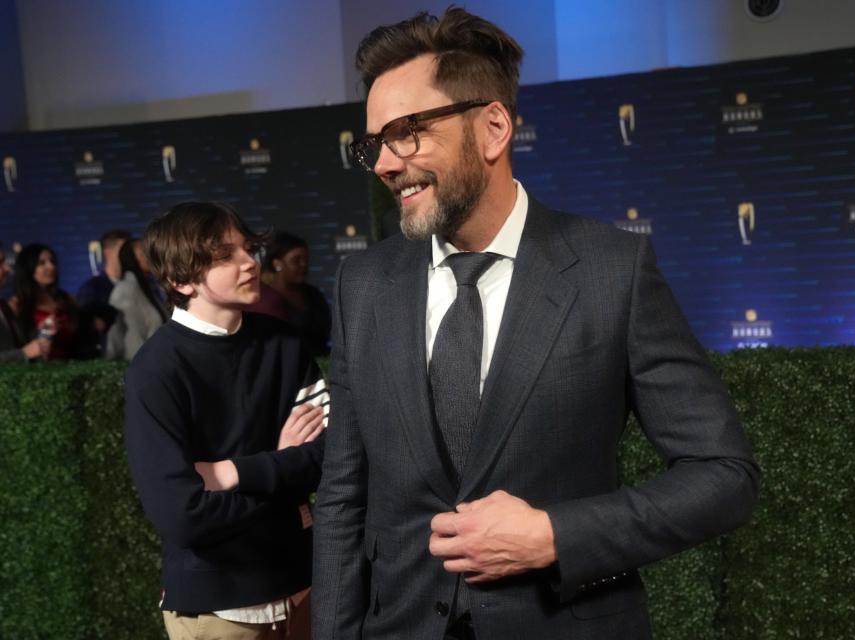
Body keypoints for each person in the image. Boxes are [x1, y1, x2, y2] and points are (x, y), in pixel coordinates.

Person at [312, 8, 760, 640]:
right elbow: (342, 497)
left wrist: (555, 535)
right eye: (374, 143)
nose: (385, 163)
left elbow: (723, 475)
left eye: (407, 131)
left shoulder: (611, 270)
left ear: (493, 128)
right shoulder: (364, 284)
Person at [124, 202, 329, 640]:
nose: (248, 263)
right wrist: (283, 472)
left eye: (247, 248)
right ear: (180, 279)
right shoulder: (154, 371)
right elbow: (183, 517)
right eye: (224, 255)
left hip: (305, 590)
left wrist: (234, 472)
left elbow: (330, 456)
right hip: (217, 610)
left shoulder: (285, 345)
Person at [246, 232, 332, 356]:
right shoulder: (263, 299)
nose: (303, 265)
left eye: (306, 260)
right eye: (296, 260)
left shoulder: (314, 294)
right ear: (277, 264)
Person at [9, 243, 97, 360]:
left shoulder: (67, 299)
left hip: (72, 366)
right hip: (35, 371)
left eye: (52, 261)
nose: (51, 267)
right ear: (28, 268)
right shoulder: (17, 304)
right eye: (42, 263)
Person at [105, 237, 167, 360]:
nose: (150, 256)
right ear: (131, 258)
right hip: (142, 364)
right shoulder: (126, 290)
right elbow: (129, 337)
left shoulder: (150, 287)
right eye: (144, 252)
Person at [77, 229, 130, 342]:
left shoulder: (140, 285)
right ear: (106, 251)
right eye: (122, 249)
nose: (127, 254)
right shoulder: (92, 288)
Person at [0, 243, 50, 362]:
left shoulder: (5, 308)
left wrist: (39, 333)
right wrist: (23, 354)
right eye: (0, 262)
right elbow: (25, 351)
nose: (8, 268)